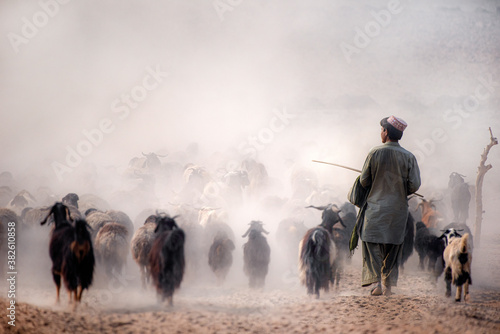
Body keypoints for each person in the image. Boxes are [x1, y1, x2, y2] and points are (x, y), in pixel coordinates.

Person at [358, 115, 421, 296]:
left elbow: (364, 181)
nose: (381, 133)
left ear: (385, 132)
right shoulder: (409, 157)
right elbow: (414, 185)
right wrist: (401, 189)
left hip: (375, 210)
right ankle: (388, 286)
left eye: (381, 130)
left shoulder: (374, 153)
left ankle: (377, 284)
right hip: (398, 211)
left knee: (372, 244)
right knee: (393, 247)